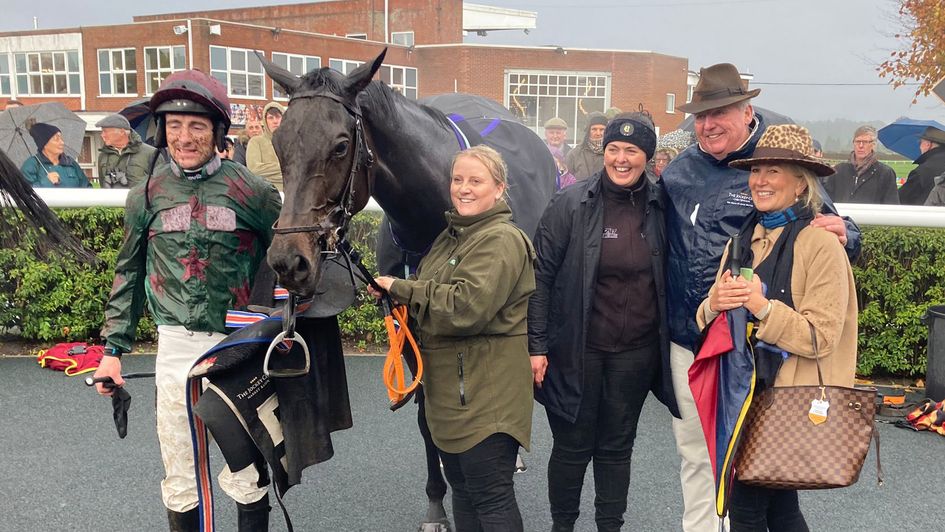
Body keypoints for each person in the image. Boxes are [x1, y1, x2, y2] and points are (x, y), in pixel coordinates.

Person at [661, 62, 858, 532]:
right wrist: (711, 306)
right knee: (701, 459)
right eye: (701, 116)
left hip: (768, 369)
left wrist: (847, 234)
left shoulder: (794, 196)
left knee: (752, 490)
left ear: (746, 111)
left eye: (720, 112)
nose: (707, 124)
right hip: (699, 346)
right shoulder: (680, 173)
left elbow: (830, 231)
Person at [92, 70, 282, 531]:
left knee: (249, 470)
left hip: (240, 349)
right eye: (174, 125)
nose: (184, 136)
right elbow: (129, 273)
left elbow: (285, 262)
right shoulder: (147, 194)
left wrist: (280, 322)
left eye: (197, 125)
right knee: (180, 473)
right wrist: (112, 352)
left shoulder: (253, 192)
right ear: (162, 130)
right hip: (175, 347)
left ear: (218, 132)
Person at [369, 145, 535, 531]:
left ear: (499, 188)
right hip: (449, 396)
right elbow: (430, 289)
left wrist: (404, 289)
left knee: (492, 499)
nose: (464, 188)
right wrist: (396, 293)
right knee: (462, 491)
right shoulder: (451, 236)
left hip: (487, 400)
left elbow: (466, 308)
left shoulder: (501, 239)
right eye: (458, 179)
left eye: (476, 181)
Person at [528, 113, 680, 532]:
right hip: (577, 348)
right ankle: (563, 525)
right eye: (614, 148)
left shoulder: (663, 206)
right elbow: (538, 277)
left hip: (636, 351)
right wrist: (536, 345)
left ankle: (610, 525)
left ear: (647, 157)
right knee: (572, 446)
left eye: (631, 150)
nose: (621, 158)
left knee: (616, 448)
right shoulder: (570, 203)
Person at [823, 125, 899, 204]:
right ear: (853, 143)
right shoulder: (838, 170)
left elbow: (892, 207)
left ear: (873, 144)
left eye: (865, 142)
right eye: (858, 141)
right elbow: (827, 202)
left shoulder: (885, 173)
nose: (861, 146)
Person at [96, 113, 158, 188]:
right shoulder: (103, 156)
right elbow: (102, 184)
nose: (102, 135)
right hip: (112, 199)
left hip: (139, 199)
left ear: (122, 132)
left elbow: (161, 185)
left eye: (105, 131)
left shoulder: (150, 153)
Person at [20, 123, 90, 188]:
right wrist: (46, 182)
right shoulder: (32, 165)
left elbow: (87, 188)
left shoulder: (70, 163)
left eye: (61, 139)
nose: (62, 142)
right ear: (44, 144)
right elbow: (25, 192)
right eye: (56, 139)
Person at [899, 126, 945, 205]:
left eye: (920, 142)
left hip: (926, 214)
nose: (920, 147)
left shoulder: (922, 170)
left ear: (927, 144)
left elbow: (901, 199)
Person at [247, 102, 286, 190]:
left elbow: (300, 171)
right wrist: (286, 169)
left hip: (291, 193)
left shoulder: (293, 143)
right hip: (266, 193)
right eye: (271, 118)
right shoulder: (256, 142)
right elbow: (254, 170)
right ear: (265, 121)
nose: (275, 121)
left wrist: (268, 172)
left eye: (278, 117)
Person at [566, 112, 608, 181]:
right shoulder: (575, 154)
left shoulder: (612, 153)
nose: (598, 133)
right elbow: (567, 180)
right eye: (594, 129)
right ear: (588, 131)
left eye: (602, 130)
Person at [543, 117, 576, 189]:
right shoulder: (539, 153)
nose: (555, 136)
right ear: (545, 135)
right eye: (551, 133)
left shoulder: (573, 154)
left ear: (564, 135)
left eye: (558, 133)